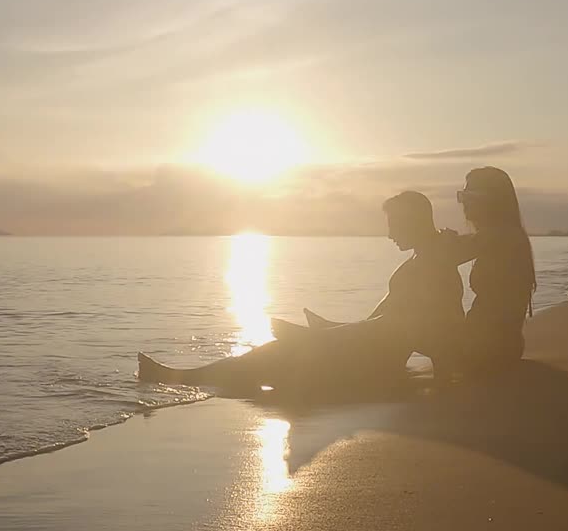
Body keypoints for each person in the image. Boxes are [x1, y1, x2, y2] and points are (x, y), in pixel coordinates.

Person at [137, 191, 464, 395]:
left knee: (280, 355)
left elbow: (426, 327)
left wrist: (324, 338)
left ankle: (181, 378)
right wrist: (331, 329)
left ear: (413, 221)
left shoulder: (434, 263)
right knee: (279, 353)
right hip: (369, 352)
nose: (389, 232)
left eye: (394, 223)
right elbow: (381, 318)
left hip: (375, 364)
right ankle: (186, 377)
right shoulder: (421, 262)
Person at [442, 166, 538, 374]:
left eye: (470, 195)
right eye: (461, 196)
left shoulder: (501, 236)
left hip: (486, 348)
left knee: (407, 327)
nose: (464, 203)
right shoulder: (506, 235)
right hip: (500, 346)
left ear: (493, 200)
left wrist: (442, 241)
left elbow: (448, 255)